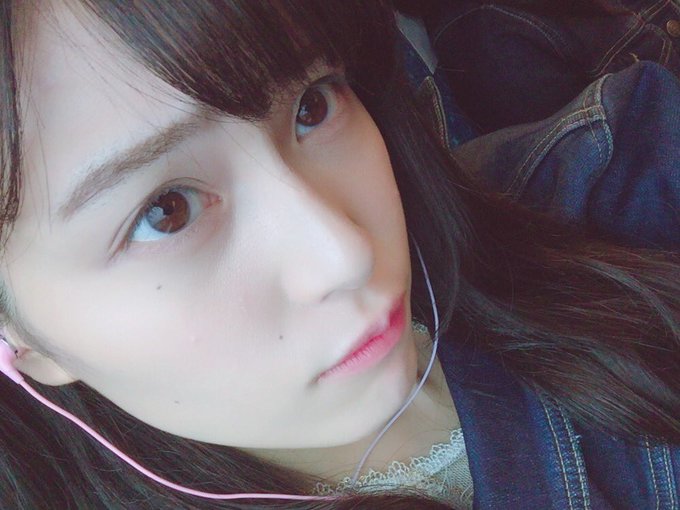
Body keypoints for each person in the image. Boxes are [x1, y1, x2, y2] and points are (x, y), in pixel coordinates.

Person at [0, 1, 677, 509]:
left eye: (312, 106)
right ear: (17, 335)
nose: (345, 254)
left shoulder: (610, 179)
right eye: (166, 211)